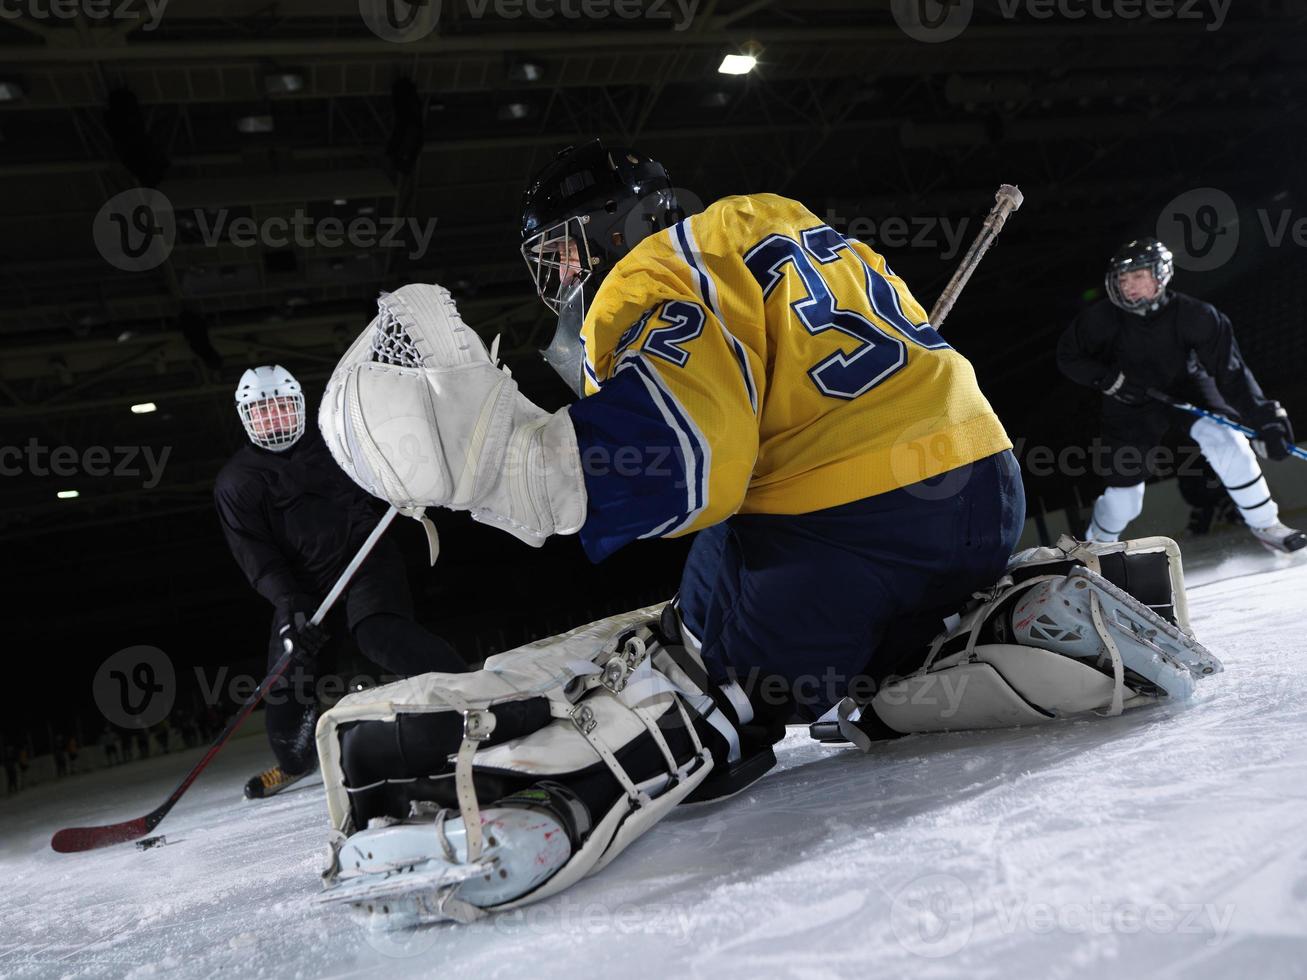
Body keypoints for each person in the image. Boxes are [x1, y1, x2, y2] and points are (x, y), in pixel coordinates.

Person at [314, 140, 1054, 922]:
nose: (564, 279)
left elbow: (689, 460)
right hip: (984, 493)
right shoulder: (780, 223)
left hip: (845, 527)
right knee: (872, 633)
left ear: (614, 227)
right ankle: (1012, 626)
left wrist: (510, 470)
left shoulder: (647, 275)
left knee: (692, 662)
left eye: (562, 253)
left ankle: (541, 795)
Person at [214, 364, 466, 800]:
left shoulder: (334, 439)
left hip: (366, 557)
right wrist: (290, 605)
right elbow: (257, 555)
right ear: (246, 418)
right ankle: (295, 761)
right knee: (290, 671)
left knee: (380, 634)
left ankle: (468, 691)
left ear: (299, 407)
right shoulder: (237, 482)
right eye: (262, 412)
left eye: (281, 407)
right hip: (303, 588)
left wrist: (412, 469)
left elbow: (388, 465)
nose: (274, 419)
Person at [1058, 238, 1304, 553]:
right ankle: (1093, 549)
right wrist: (1110, 380)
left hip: (1187, 388)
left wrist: (1265, 417)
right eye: (1123, 278)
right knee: (1125, 499)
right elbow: (1068, 356)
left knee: (1227, 442)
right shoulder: (1100, 319)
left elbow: (1231, 372)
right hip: (1128, 399)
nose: (1128, 286)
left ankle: (1267, 525)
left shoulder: (1195, 315)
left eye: (1137, 277)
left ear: (1160, 276)